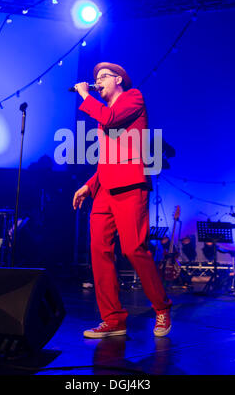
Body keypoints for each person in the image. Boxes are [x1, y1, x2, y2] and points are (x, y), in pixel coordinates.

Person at [73, 62, 172, 338]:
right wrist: (89, 185)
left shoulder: (133, 97)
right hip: (104, 188)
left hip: (130, 185)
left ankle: (162, 307)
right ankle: (113, 319)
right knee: (99, 250)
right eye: (95, 78)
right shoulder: (103, 113)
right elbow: (108, 158)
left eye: (103, 76)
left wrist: (85, 96)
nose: (97, 81)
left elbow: (112, 118)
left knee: (133, 249)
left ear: (118, 79)